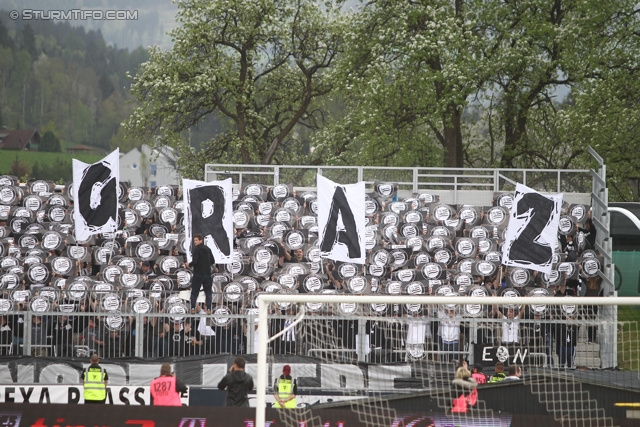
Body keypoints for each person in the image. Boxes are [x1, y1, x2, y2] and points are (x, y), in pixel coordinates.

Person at [185, 234, 216, 314]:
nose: (195, 242)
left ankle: (192, 308)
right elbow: (212, 261)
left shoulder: (196, 250)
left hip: (198, 274)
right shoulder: (208, 249)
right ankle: (209, 309)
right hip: (207, 274)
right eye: (194, 240)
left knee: (194, 292)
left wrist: (189, 265)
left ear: (200, 240)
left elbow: (195, 261)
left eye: (196, 240)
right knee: (208, 292)